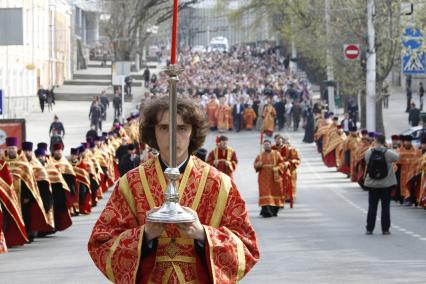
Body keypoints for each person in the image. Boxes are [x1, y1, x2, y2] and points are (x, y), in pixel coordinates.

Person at [88, 96, 259, 283]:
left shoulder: (219, 184)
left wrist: (203, 234)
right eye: (164, 128)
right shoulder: (130, 183)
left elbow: (247, 247)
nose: (172, 136)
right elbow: (101, 244)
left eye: (182, 128)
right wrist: (144, 236)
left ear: (193, 132)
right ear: (153, 132)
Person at [364, 134, 399, 235]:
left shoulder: (369, 152)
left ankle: (369, 229)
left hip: (372, 184)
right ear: (384, 142)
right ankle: (385, 229)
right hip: (386, 184)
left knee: (372, 206)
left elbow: (366, 161)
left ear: (375, 140)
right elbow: (397, 158)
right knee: (385, 206)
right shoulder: (388, 152)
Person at [254, 140, 285, 217]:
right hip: (263, 178)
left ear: (271, 145)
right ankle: (266, 211)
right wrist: (258, 164)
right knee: (265, 193)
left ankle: (274, 210)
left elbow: (282, 164)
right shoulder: (260, 156)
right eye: (265, 145)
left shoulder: (276, 154)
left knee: (275, 193)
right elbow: (255, 165)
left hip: (274, 177)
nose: (266, 146)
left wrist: (277, 168)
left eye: (268, 144)